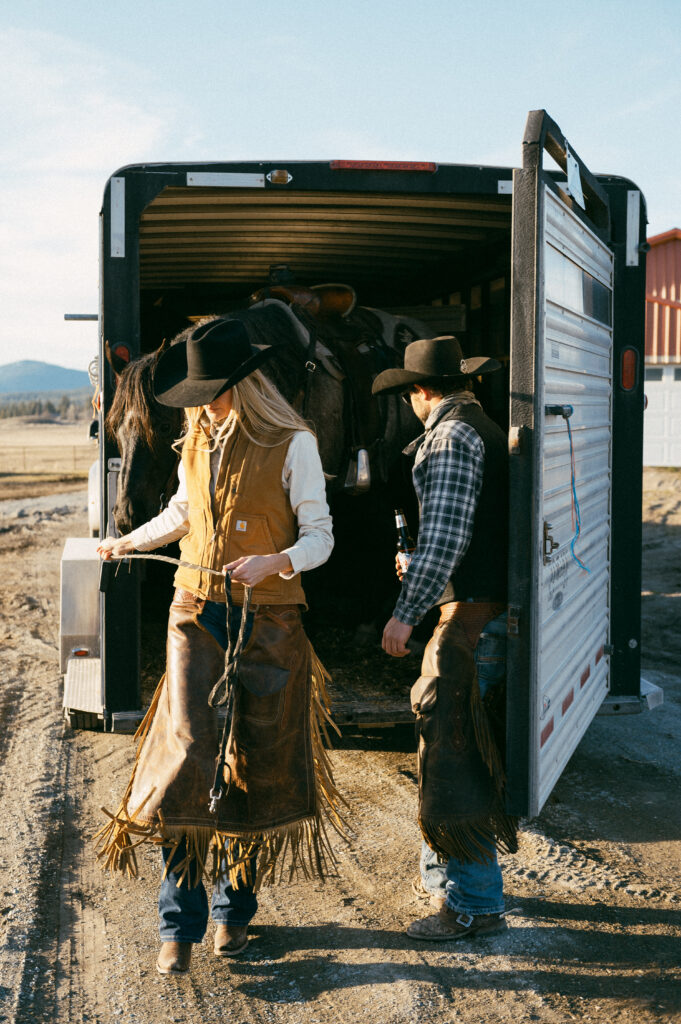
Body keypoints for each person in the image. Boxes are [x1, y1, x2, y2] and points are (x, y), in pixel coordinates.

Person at [96, 317, 343, 975]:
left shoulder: (294, 444)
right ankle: (176, 924)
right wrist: (128, 542)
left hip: (269, 623)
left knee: (252, 764)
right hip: (194, 612)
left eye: (212, 391)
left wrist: (277, 561)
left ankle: (234, 914)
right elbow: (182, 514)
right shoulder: (196, 438)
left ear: (243, 384)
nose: (202, 403)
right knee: (185, 759)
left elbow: (321, 538)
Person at [372, 335, 517, 942]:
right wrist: (429, 570)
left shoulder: (451, 438)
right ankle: (451, 881)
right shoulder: (479, 425)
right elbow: (458, 537)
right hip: (477, 612)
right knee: (458, 752)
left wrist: (406, 610)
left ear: (417, 391)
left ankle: (472, 905)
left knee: (455, 760)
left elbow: (448, 539)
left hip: (468, 623)